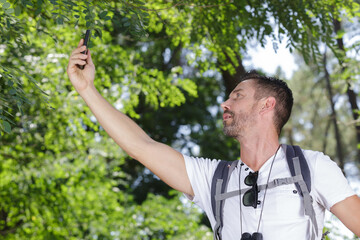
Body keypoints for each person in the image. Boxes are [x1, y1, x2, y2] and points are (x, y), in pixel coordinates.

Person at [67, 39, 360, 240]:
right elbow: (141, 146)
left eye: (238, 96)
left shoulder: (312, 167)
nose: (225, 103)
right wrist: (87, 90)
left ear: (266, 105)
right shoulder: (214, 180)